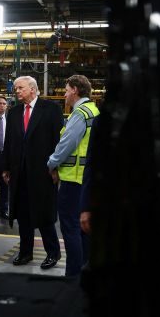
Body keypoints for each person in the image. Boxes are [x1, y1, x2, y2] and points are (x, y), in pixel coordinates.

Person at [2, 76, 63, 269]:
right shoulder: (14, 112)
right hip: (19, 172)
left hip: (43, 172)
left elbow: (58, 142)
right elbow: (9, 142)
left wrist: (56, 168)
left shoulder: (51, 109)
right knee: (23, 215)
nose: (17, 91)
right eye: (16, 88)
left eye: (20, 88)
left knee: (44, 214)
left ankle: (53, 253)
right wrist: (6, 167)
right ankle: (25, 252)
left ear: (33, 89)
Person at [47, 75, 99, 276]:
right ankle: (84, 270)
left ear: (75, 90)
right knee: (84, 230)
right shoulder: (94, 110)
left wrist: (51, 163)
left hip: (73, 180)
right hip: (86, 181)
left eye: (67, 90)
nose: (65, 95)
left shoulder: (79, 114)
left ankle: (72, 275)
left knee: (71, 230)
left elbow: (66, 144)